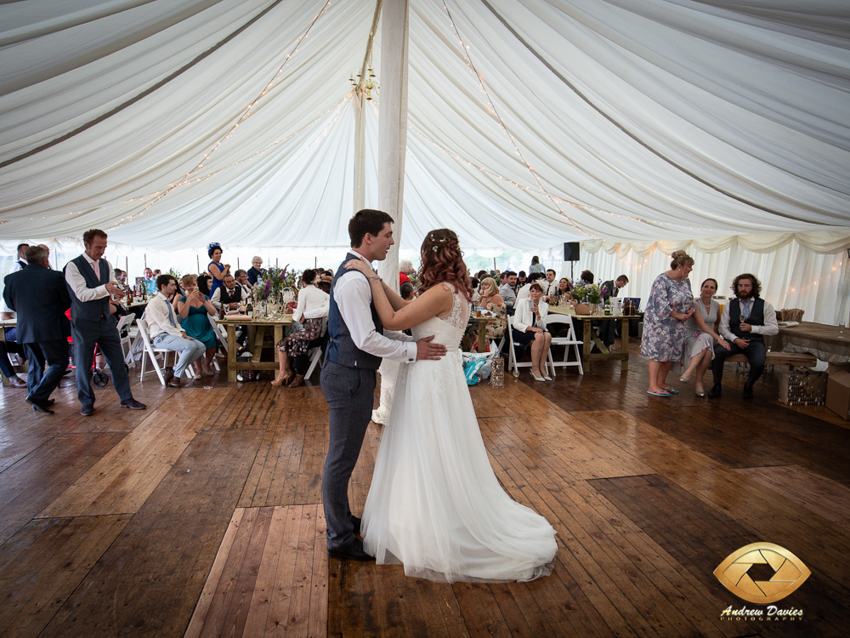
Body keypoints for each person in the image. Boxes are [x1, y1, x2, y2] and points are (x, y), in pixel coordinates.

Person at [345, 228, 557, 582]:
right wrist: (379, 283)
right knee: (439, 445)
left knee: (425, 445)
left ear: (430, 256)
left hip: (429, 376)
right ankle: (433, 510)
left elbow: (393, 321)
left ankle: (433, 521)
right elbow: (408, 309)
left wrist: (369, 277)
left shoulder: (441, 292)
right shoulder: (455, 291)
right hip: (443, 375)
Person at [321, 209, 448, 562]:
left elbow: (377, 331)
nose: (392, 241)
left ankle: (343, 520)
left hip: (355, 374)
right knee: (340, 461)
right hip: (347, 376)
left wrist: (407, 337)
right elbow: (364, 339)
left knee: (343, 458)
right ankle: (339, 538)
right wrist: (413, 350)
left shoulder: (365, 275)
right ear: (368, 238)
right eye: (388, 234)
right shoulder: (353, 280)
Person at [64, 229, 146, 415]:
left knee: (118, 361)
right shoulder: (73, 266)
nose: (101, 251)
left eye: (104, 247)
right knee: (84, 364)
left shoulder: (106, 264)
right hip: (84, 321)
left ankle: (126, 397)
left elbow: (109, 288)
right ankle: (86, 402)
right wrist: (106, 289)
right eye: (97, 247)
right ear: (86, 245)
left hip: (106, 320)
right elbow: (82, 295)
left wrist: (115, 293)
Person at [3, 246, 71, 413]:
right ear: (44, 260)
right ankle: (38, 396)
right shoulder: (55, 277)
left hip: (25, 328)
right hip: (51, 327)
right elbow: (67, 301)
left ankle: (37, 400)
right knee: (59, 363)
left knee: (35, 364)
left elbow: (11, 304)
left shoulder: (11, 279)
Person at [709, 274, 778, 399]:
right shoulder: (729, 305)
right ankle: (717, 385)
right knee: (717, 353)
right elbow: (723, 328)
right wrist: (735, 339)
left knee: (758, 363)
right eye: (740, 286)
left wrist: (753, 328)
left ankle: (749, 385)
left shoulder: (765, 306)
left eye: (747, 285)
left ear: (753, 287)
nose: (743, 288)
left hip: (755, 342)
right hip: (733, 340)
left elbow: (774, 329)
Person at [640, 250, 697, 397]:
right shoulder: (662, 280)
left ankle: (662, 383)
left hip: (678, 325)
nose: (690, 269)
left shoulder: (686, 281)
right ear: (679, 266)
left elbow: (689, 299)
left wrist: (690, 310)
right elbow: (660, 302)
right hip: (660, 323)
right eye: (689, 266)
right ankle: (652, 385)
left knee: (671, 353)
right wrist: (677, 314)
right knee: (658, 353)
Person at [145, 274, 206, 388]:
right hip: (161, 337)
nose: (175, 288)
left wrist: (182, 332)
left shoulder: (167, 302)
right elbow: (164, 325)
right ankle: (176, 377)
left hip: (171, 335)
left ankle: (173, 370)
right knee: (190, 346)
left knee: (201, 346)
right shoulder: (155, 303)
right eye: (172, 285)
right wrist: (181, 334)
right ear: (163, 286)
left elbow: (175, 322)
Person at [273, 269, 329, 388]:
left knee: (282, 343)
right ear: (315, 280)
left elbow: (300, 311)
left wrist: (294, 316)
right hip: (316, 330)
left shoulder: (304, 291)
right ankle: (290, 373)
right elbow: (310, 310)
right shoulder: (322, 293)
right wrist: (296, 313)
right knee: (296, 342)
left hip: (309, 330)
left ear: (303, 281)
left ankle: (284, 373)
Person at [679, 278, 730, 396]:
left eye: (712, 287)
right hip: (692, 335)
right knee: (707, 351)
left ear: (715, 290)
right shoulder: (694, 303)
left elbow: (716, 322)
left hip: (708, 336)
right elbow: (701, 325)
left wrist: (716, 339)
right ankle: (697, 381)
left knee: (707, 338)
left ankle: (689, 373)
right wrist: (719, 338)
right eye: (706, 286)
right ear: (701, 288)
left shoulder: (716, 305)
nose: (708, 289)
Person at [177, 274, 218, 376]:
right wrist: (189, 300)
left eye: (194, 284)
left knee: (212, 340)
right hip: (190, 328)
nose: (192, 287)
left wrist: (204, 302)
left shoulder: (204, 297)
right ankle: (198, 368)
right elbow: (183, 315)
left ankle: (207, 364)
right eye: (189, 285)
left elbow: (213, 313)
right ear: (185, 287)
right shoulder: (182, 300)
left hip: (205, 328)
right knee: (196, 343)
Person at [511, 282, 552, 382]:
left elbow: (542, 326)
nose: (534, 293)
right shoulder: (522, 302)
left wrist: (538, 315)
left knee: (548, 336)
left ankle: (542, 368)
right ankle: (535, 369)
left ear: (542, 293)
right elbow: (516, 324)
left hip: (537, 330)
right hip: (521, 331)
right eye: (532, 291)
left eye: (538, 291)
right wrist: (531, 328)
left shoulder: (544, 306)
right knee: (539, 337)